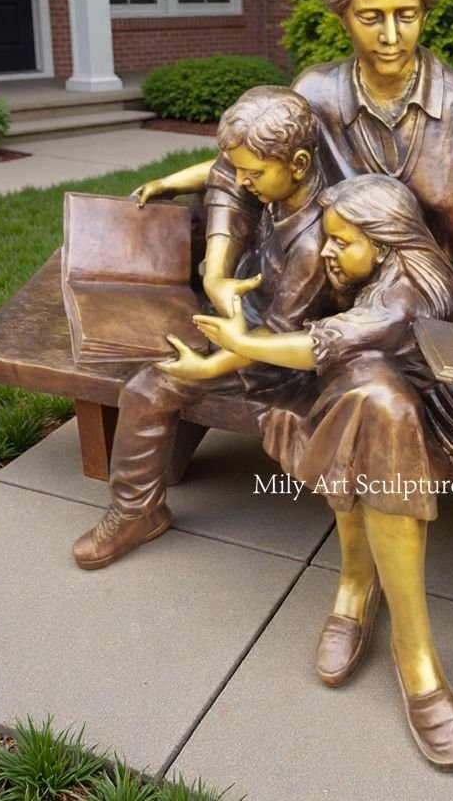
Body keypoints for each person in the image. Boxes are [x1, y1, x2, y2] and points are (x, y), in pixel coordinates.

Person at [195, 174, 453, 771]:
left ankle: (407, 641)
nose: (327, 251)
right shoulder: (381, 271)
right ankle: (359, 589)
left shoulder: (406, 294)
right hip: (370, 384)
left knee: (378, 408)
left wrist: (240, 343)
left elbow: (328, 343)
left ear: (387, 240)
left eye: (341, 242)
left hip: (431, 404)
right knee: (372, 403)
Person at [72, 86, 338, 569]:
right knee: (145, 362)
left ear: (298, 163)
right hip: (248, 320)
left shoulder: (317, 243)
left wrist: (206, 366)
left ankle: (135, 512)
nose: (242, 180)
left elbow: (277, 340)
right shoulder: (275, 180)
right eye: (240, 168)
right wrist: (172, 182)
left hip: (289, 354)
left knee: (148, 388)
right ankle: (140, 510)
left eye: (252, 173)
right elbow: (221, 173)